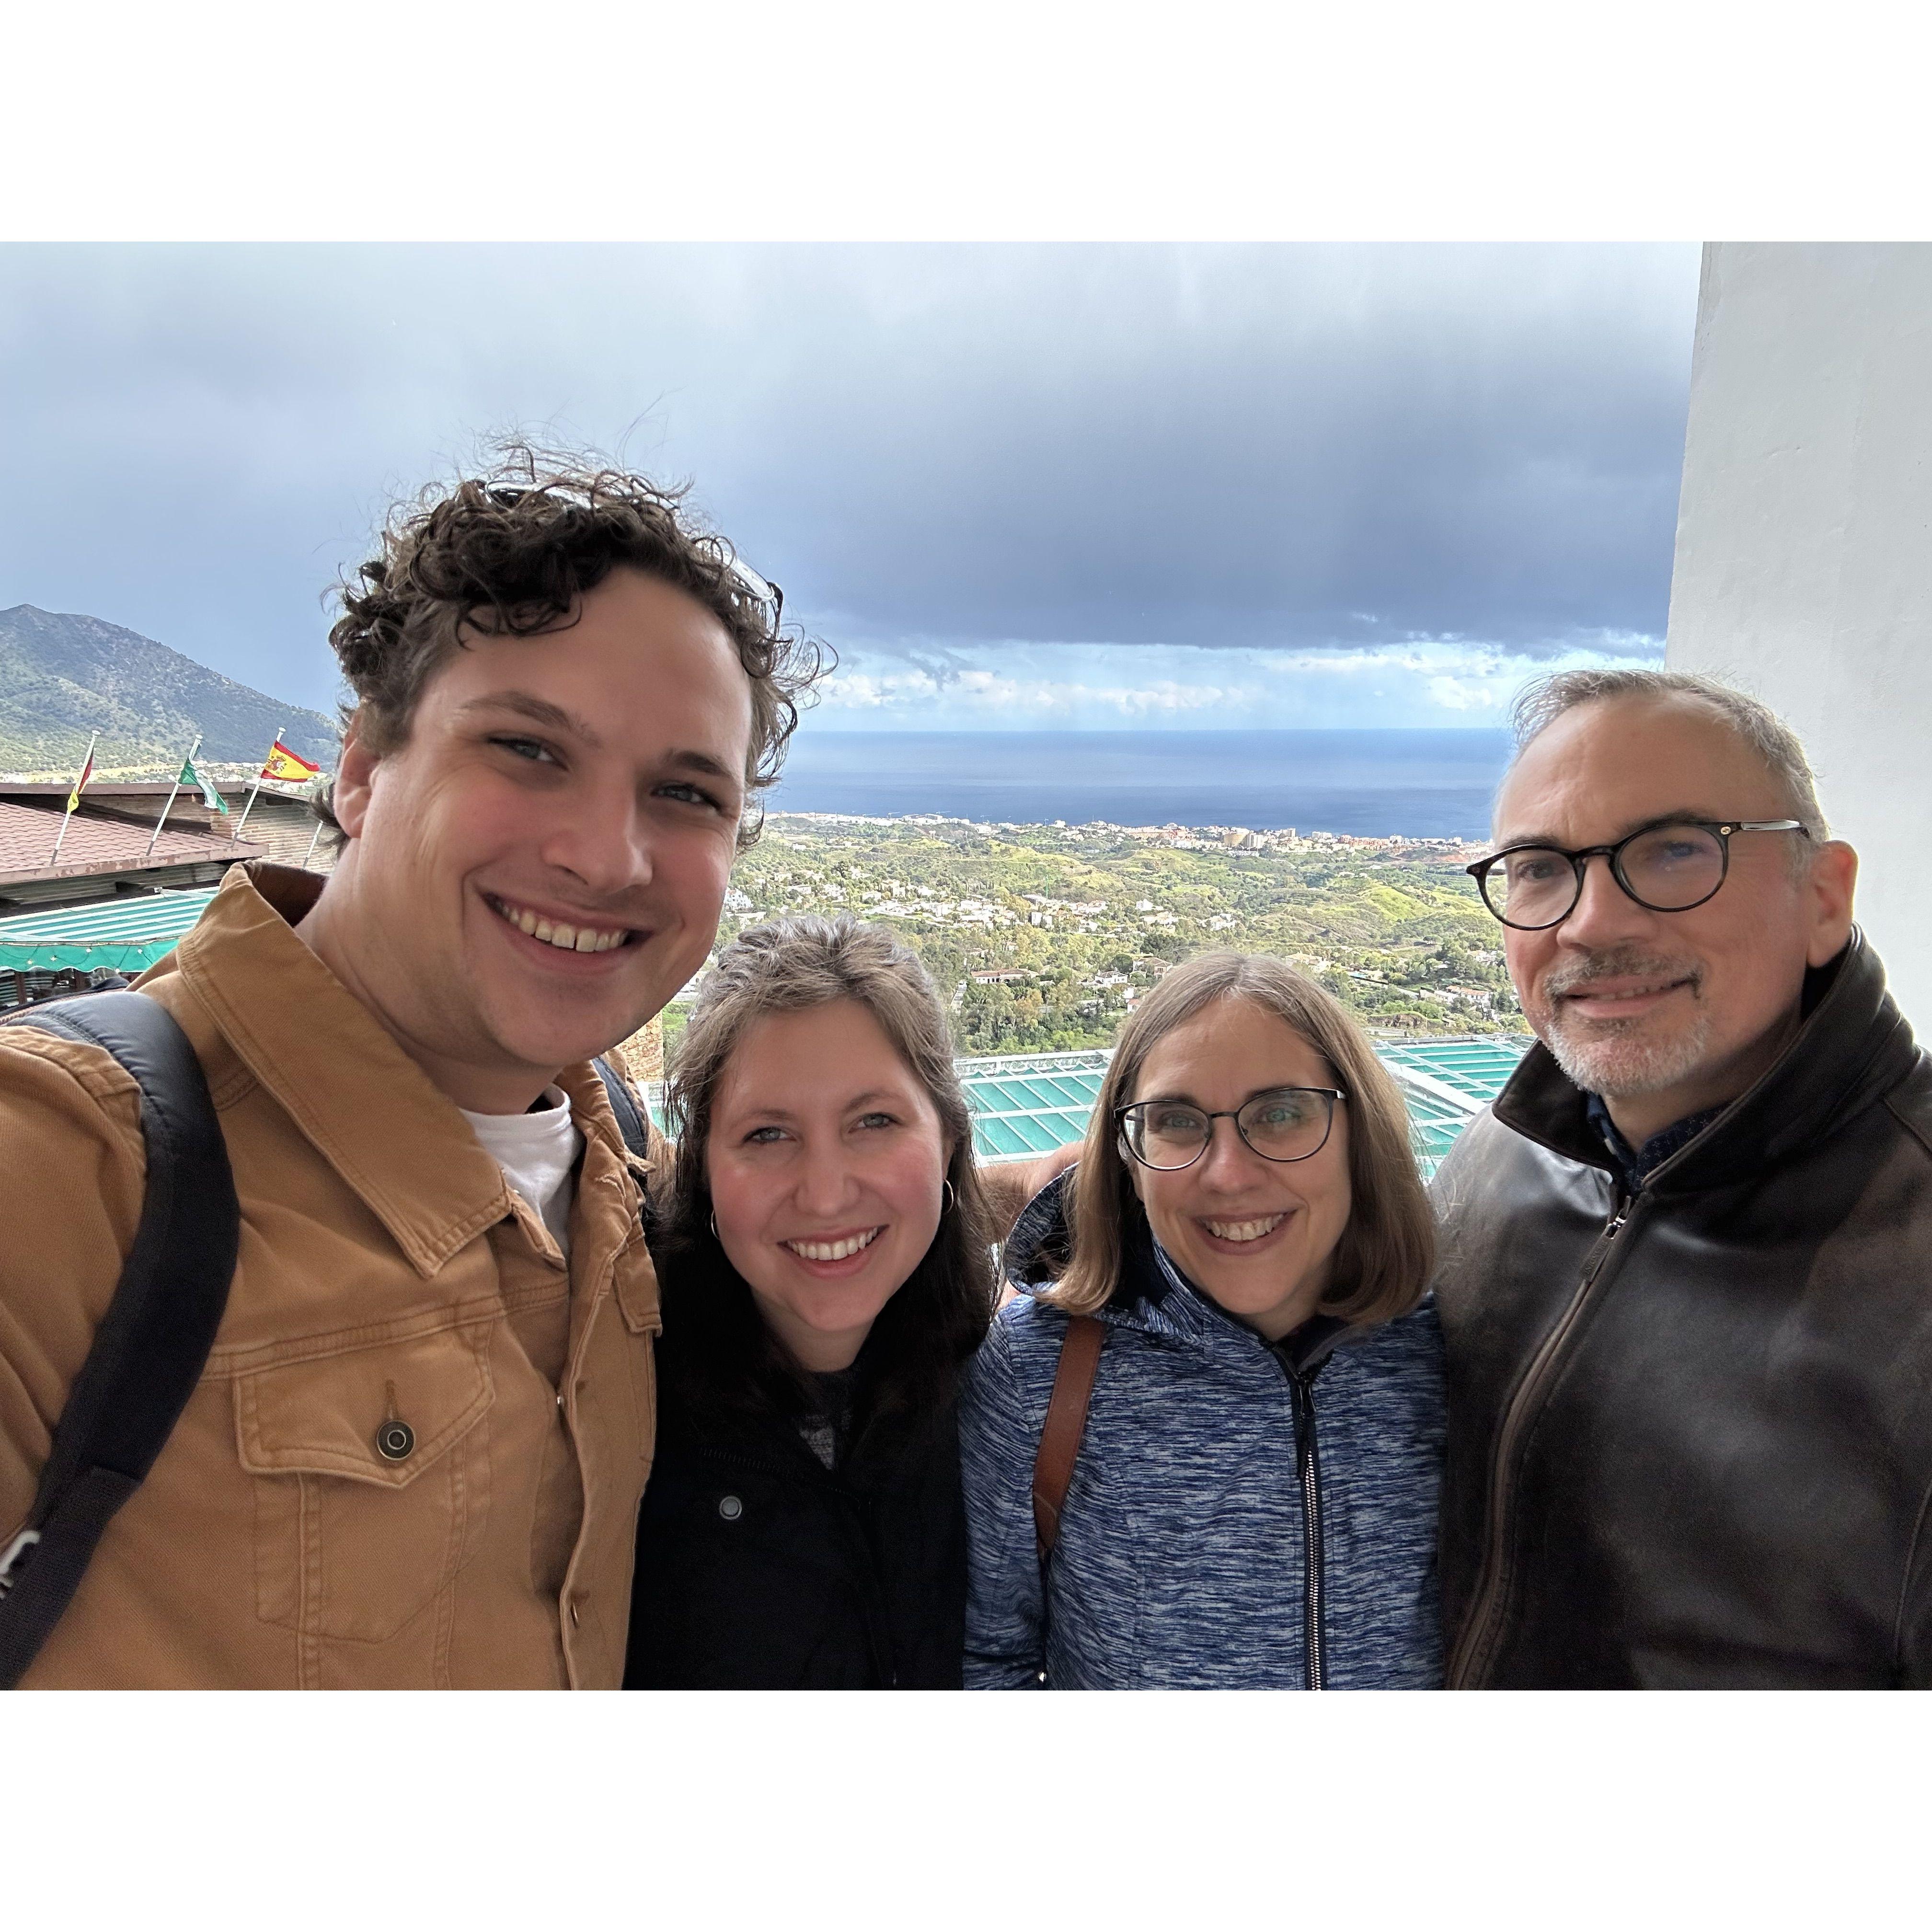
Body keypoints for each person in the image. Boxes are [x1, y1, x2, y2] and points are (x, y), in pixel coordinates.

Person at [0, 448, 822, 1688]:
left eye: (685, 792)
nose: (608, 856)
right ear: (364, 769)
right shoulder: (67, 1166)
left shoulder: (617, 1167)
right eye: (530, 750)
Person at [1433, 667, 1932, 1689]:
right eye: (1538, 868)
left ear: (1824, 897)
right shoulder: (1497, 1157)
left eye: (1672, 851)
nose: (1593, 924)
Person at [960, 951, 1445, 1689]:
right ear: (1129, 1153)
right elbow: (986, 1661)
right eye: (1177, 1122)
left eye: (1282, 1113)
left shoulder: (1454, 1344)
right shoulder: (1037, 1375)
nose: (1228, 1173)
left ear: (1357, 1130)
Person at [625, 915, 995, 1690]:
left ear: (951, 1142)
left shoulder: (1009, 1396)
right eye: (767, 1135)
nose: (826, 1195)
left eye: (874, 1122)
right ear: (704, 1171)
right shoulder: (612, 1406)